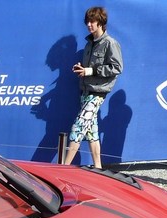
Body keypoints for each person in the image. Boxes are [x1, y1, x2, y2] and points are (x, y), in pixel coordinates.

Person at [61, 6, 123, 168]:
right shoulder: (89, 44)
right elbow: (90, 69)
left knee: (78, 128)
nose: (89, 25)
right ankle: (98, 167)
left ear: (101, 22)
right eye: (87, 21)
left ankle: (64, 167)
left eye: (92, 21)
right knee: (91, 132)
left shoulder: (110, 43)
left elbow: (117, 68)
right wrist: (82, 69)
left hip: (97, 93)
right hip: (85, 91)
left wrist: (90, 70)